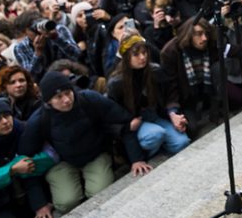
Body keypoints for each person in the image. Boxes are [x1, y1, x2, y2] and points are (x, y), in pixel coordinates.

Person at [19, 71, 152, 214]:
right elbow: (25, 161)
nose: (66, 100)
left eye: (68, 93)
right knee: (65, 203)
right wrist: (39, 204)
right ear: (48, 101)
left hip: (95, 155)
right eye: (58, 97)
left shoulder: (89, 99)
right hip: (62, 162)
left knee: (101, 194)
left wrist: (136, 159)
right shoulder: (39, 120)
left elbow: (125, 122)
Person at [107, 35, 191, 159]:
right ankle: (146, 153)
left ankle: (160, 147)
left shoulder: (154, 71)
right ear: (126, 58)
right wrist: (127, 125)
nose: (142, 57)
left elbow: (170, 94)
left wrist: (173, 114)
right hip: (136, 121)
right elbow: (112, 113)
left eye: (144, 52)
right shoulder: (116, 82)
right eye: (136, 55)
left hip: (155, 115)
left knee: (182, 142)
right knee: (156, 134)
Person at [0, 99, 56, 218]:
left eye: (6, 116)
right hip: (3, 199)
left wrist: (25, 166)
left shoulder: (26, 129)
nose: (5, 121)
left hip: (36, 188)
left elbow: (51, 155)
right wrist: (11, 169)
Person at [160, 19, 221, 136]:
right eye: (198, 34)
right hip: (186, 97)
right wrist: (173, 112)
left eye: (206, 33)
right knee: (191, 129)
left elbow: (232, 51)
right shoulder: (171, 51)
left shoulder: (210, 43)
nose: (204, 38)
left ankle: (215, 106)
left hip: (207, 89)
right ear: (189, 34)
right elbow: (170, 86)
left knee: (218, 68)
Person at [10, 11, 81, 82]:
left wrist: (57, 38)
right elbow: (30, 77)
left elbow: (78, 55)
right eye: (34, 30)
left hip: (71, 76)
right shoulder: (21, 47)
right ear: (25, 32)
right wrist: (37, 53)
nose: (39, 32)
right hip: (45, 84)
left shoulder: (59, 30)